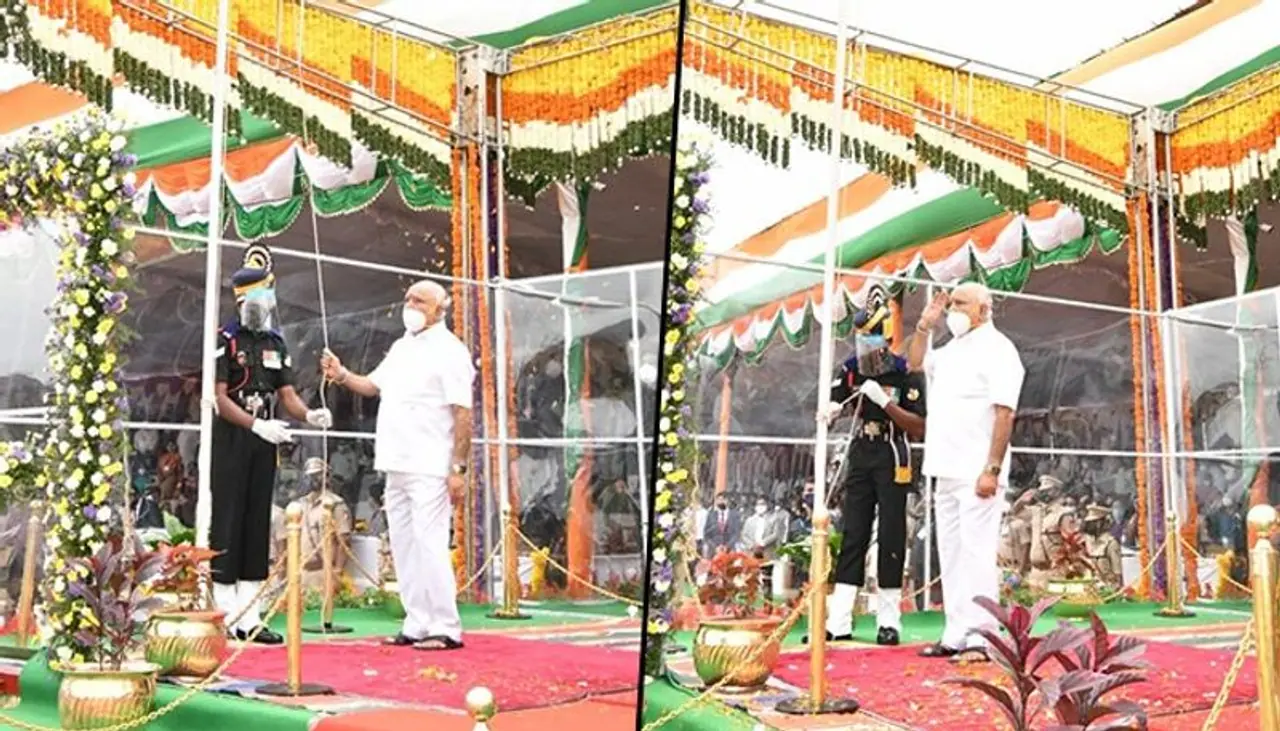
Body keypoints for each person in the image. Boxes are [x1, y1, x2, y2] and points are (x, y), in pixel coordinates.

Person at [321, 279, 474, 652]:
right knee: (404, 544)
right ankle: (416, 621)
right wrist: (341, 374)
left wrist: (458, 469)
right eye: (407, 298)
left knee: (430, 543)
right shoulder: (402, 347)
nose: (411, 305)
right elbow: (372, 386)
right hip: (396, 462)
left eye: (419, 300)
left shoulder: (451, 351)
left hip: (430, 465)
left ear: (440, 308)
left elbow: (463, 412)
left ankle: (445, 626)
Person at [211, 252, 333, 644]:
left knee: (257, 519)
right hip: (234, 437)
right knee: (228, 521)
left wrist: (310, 416)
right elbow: (219, 398)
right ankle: (225, 614)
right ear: (244, 298)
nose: (269, 304)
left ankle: (251, 617)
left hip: (266, 438)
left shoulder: (275, 342)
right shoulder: (225, 341)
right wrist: (255, 425)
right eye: (263, 295)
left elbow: (287, 395)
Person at [910, 282, 1024, 664]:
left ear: (984, 309)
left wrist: (991, 468)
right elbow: (913, 363)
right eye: (950, 304)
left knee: (977, 554)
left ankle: (984, 637)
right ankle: (955, 633)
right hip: (945, 468)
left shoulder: (1000, 350)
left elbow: (1005, 412)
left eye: (960, 304)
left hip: (978, 470)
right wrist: (925, 327)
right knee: (953, 554)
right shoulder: (950, 350)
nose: (952, 310)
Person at [814, 284, 926, 646]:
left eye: (873, 336)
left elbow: (919, 425)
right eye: (862, 337)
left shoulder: (904, 371)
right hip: (861, 448)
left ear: (884, 335)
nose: (867, 345)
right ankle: (840, 619)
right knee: (853, 532)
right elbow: (837, 398)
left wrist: (886, 403)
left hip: (893, 452)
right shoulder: (849, 368)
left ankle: (889, 620)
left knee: (891, 534)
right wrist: (832, 410)